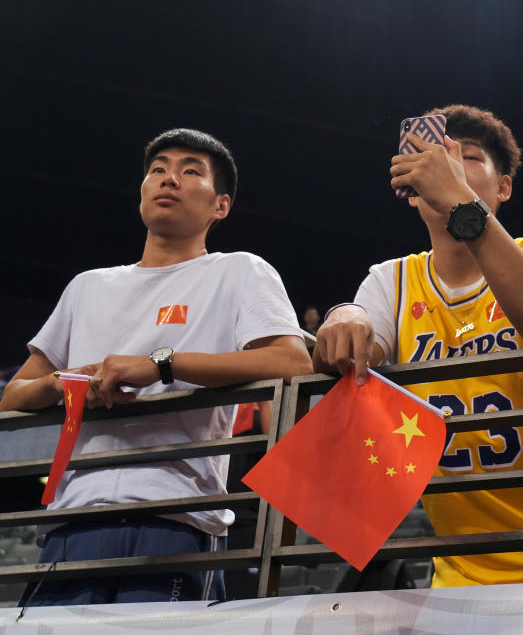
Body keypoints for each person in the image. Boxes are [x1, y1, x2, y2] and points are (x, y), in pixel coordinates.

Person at [314, 104, 523, 586]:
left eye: (465, 157)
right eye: (433, 154)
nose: (446, 164)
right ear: (408, 189)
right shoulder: (390, 280)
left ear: (503, 186)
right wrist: (345, 315)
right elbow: (358, 352)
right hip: (467, 565)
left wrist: (460, 203)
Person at [0, 128, 313, 605]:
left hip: (178, 516)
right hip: (73, 517)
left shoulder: (239, 270)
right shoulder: (88, 286)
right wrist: (64, 380)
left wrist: (160, 366)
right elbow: (15, 395)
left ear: (220, 206)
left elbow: (291, 360)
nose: (169, 178)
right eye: (158, 169)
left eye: (190, 171)